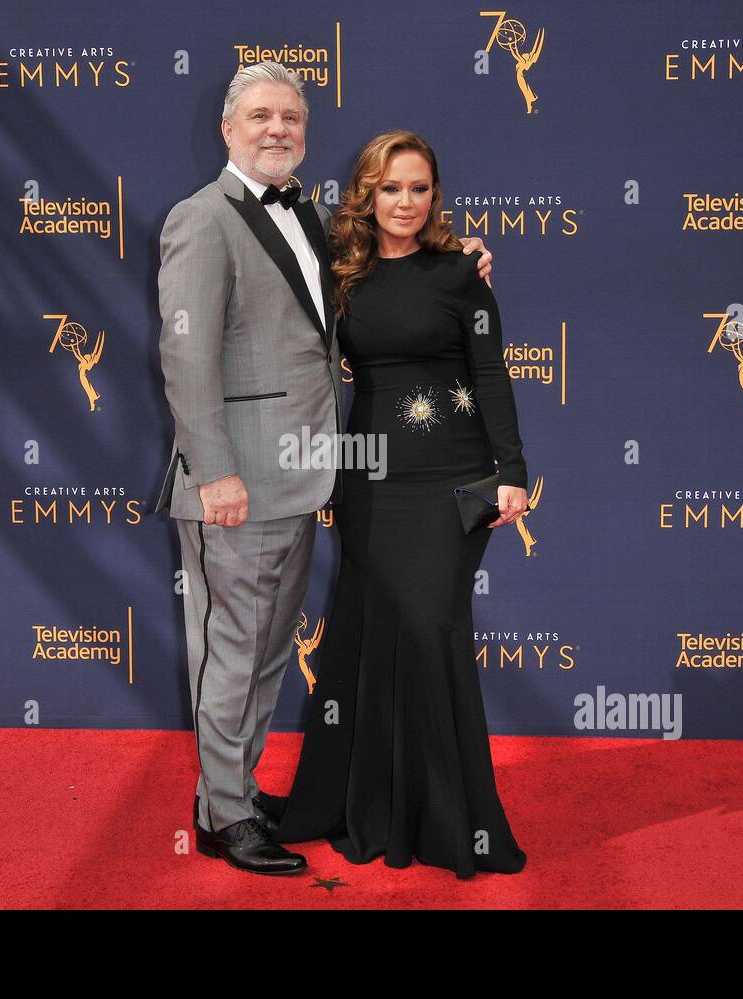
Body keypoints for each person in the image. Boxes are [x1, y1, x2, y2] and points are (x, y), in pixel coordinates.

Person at [154, 65, 492, 876]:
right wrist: (215, 473)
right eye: (261, 116)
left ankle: (230, 793)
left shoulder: (305, 213)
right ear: (227, 129)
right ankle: (224, 815)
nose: (278, 129)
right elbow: (186, 357)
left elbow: (382, 273)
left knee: (270, 648)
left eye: (292, 118)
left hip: (304, 475)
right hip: (236, 483)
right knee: (232, 647)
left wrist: (462, 260)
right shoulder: (202, 219)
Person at [276, 131, 530, 878]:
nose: (407, 203)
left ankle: (454, 824)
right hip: (370, 477)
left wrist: (510, 469)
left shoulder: (461, 275)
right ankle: (365, 807)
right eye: (391, 188)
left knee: (431, 630)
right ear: (367, 193)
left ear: (435, 196)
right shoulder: (341, 270)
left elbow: (492, 374)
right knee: (368, 635)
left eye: (420, 189)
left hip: (450, 478)